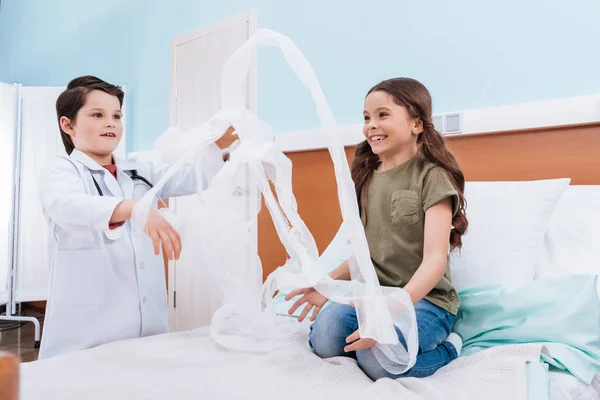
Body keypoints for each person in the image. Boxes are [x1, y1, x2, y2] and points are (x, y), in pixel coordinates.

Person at [38, 76, 237, 359]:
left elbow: (189, 177)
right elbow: (68, 206)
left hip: (147, 326)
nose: (111, 123)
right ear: (67, 125)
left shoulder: (138, 171)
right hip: (85, 333)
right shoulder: (60, 171)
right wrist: (134, 208)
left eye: (116, 116)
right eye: (98, 115)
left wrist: (219, 146)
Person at [286, 77, 468, 379]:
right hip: (374, 294)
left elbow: (435, 260)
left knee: (379, 359)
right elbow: (369, 253)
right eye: (366, 118)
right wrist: (325, 283)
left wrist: (391, 309)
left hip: (425, 302)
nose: (371, 125)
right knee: (325, 336)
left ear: (417, 124)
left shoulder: (432, 177)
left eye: (383, 115)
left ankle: (449, 348)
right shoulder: (367, 179)